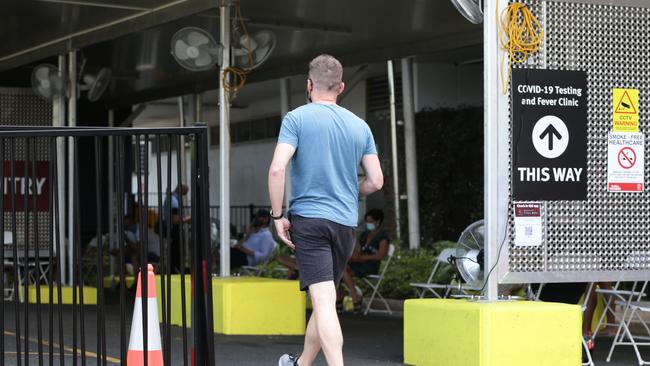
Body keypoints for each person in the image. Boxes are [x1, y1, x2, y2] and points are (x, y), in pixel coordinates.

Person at [270, 54, 383, 366]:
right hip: (345, 225)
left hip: (310, 221)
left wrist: (278, 216)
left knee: (323, 302)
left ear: (309, 85)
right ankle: (301, 363)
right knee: (324, 300)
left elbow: (278, 169)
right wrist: (350, 191)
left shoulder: (296, 119)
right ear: (341, 87)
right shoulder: (360, 126)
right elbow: (375, 181)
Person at [338, 209, 389, 313]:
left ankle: (351, 295)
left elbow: (380, 255)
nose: (368, 224)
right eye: (367, 222)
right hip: (358, 262)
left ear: (377, 222)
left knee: (342, 270)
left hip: (370, 265)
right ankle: (346, 294)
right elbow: (358, 250)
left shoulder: (383, 237)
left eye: (370, 222)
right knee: (338, 268)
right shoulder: (365, 235)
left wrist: (362, 258)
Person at [162, 184, 190, 272]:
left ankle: (174, 269)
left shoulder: (170, 199)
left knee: (173, 251)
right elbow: (175, 219)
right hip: (174, 229)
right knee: (177, 251)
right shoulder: (174, 201)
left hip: (169, 228)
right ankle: (176, 269)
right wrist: (188, 219)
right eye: (184, 193)